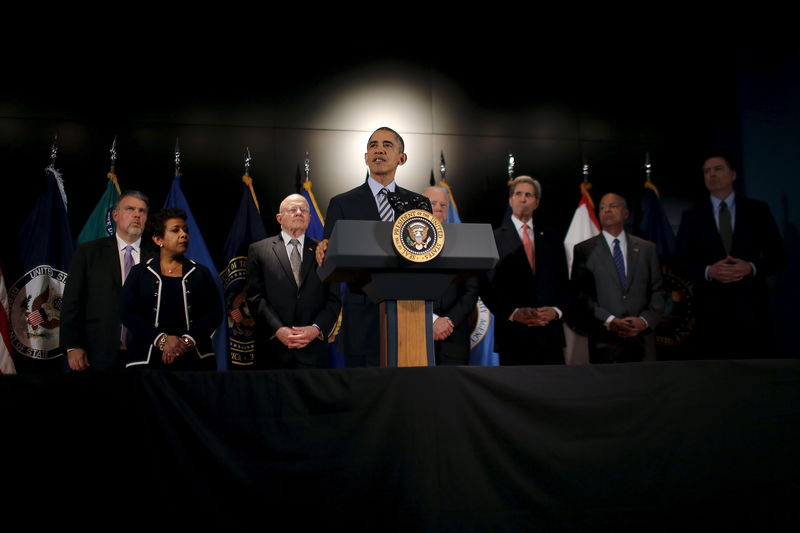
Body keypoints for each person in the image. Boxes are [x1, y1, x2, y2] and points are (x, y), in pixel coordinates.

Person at [316, 127, 431, 367]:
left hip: (409, 313)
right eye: (373, 145)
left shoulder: (418, 203)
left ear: (402, 158)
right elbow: (330, 256)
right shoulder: (342, 203)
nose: (378, 149)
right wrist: (326, 249)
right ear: (366, 157)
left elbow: (427, 254)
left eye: (387, 145)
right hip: (361, 315)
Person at [675, 155, 786, 359]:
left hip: (752, 307)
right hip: (711, 311)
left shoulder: (757, 210)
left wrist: (751, 267)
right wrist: (709, 271)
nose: (712, 174)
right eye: (707, 171)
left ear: (733, 175)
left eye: (718, 169)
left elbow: (779, 256)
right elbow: (680, 262)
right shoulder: (692, 216)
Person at [481, 176, 570, 365]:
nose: (523, 199)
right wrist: (513, 313)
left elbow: (564, 283)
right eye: (518, 194)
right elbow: (487, 288)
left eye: (528, 195)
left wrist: (556, 311)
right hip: (513, 335)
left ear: (536, 202)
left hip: (549, 334)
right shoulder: (493, 238)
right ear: (510, 200)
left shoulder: (552, 237)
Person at [60, 191, 153, 372]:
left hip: (144, 356)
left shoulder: (156, 257)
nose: (137, 215)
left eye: (142, 211)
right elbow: (72, 302)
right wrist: (72, 346)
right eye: (130, 209)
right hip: (96, 354)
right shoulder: (89, 252)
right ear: (115, 215)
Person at [246, 194, 341, 369]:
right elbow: (255, 298)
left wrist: (315, 329)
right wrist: (278, 329)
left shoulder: (325, 252)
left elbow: (333, 299)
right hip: (273, 352)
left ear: (310, 218)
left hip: (313, 352)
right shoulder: (259, 250)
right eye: (292, 209)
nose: (299, 212)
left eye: (304, 210)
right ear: (279, 218)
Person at [120, 208, 221, 370]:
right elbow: (127, 313)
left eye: (185, 230)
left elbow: (214, 313)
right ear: (158, 239)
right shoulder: (139, 273)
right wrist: (162, 341)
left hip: (195, 361)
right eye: (175, 230)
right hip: (145, 361)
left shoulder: (201, 273)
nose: (183, 234)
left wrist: (185, 342)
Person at [571, 193, 665, 363]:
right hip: (604, 341)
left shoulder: (647, 249)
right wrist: (609, 320)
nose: (606, 210)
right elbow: (581, 296)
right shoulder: (584, 250)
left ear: (626, 214)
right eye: (602, 207)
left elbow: (658, 291)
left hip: (642, 341)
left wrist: (644, 321)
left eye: (613, 206)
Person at [423, 186, 479, 365]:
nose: (439, 208)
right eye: (432, 203)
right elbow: (404, 288)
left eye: (443, 204)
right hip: (417, 337)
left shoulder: (463, 243)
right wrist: (431, 320)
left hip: (454, 338)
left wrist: (448, 321)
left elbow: (471, 291)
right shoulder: (405, 242)